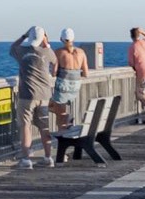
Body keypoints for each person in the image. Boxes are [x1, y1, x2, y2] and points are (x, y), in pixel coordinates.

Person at [10, 26, 57, 169]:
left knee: (26, 127)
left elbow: (12, 47)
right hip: (44, 95)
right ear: (43, 37)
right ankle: (48, 157)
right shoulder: (47, 52)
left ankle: (26, 159)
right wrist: (46, 42)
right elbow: (54, 62)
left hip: (27, 95)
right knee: (44, 128)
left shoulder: (22, 51)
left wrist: (23, 36)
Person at [50, 27, 89, 131]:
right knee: (58, 109)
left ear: (61, 39)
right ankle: (66, 122)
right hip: (75, 86)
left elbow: (53, 73)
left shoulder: (58, 52)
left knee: (59, 113)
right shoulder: (81, 52)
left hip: (63, 84)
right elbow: (86, 73)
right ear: (73, 39)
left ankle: (63, 131)